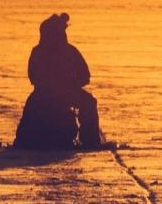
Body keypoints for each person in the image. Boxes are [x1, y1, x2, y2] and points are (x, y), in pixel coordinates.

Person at [13, 11, 104, 150]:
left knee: (89, 102)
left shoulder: (66, 51)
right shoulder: (42, 52)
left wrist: (68, 85)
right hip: (45, 93)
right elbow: (34, 76)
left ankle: (90, 140)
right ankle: (90, 141)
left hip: (63, 92)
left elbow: (85, 75)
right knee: (87, 102)